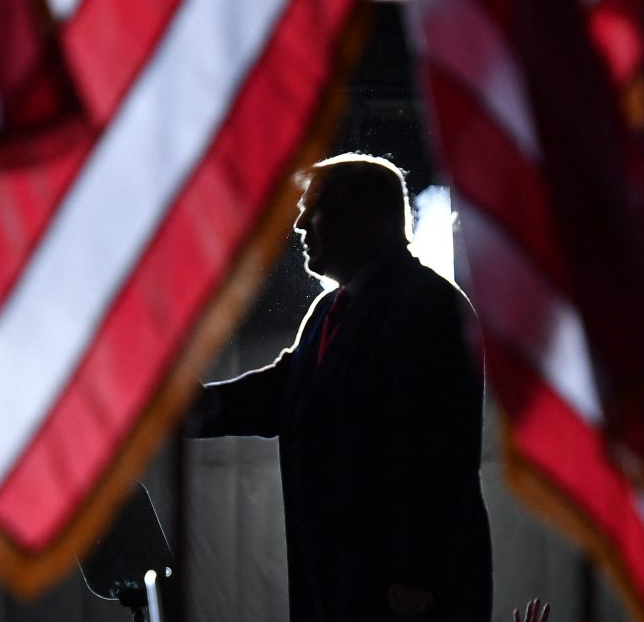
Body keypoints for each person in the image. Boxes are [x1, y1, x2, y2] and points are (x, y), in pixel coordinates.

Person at [189, 153, 491, 621]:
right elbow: (278, 397)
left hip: (402, 597)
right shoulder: (331, 311)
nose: (301, 226)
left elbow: (441, 453)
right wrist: (174, 413)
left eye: (317, 209)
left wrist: (417, 575)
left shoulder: (429, 307)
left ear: (370, 220)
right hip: (343, 587)